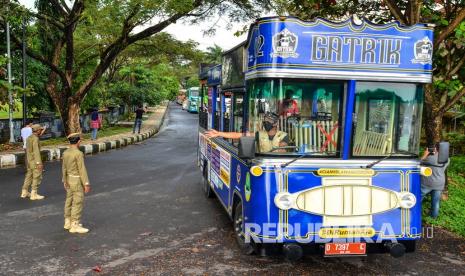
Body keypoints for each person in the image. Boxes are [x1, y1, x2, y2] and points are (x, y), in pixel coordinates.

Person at [205, 112, 289, 153]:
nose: (266, 123)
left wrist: (282, 149)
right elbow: (239, 135)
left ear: (275, 123)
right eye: (265, 121)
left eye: (269, 121)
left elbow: (283, 148)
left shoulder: (283, 135)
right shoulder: (259, 134)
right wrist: (219, 133)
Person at [62, 133, 91, 233]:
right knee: (77, 202)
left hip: (69, 179)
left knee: (69, 200)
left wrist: (64, 180)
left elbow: (64, 168)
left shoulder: (65, 152)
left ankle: (67, 222)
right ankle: (75, 224)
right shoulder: (78, 153)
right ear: (78, 141)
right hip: (77, 180)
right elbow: (82, 169)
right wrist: (86, 183)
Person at [420, 143, 450, 219]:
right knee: (436, 202)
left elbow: (418, 163)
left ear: (435, 149)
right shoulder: (447, 159)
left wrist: (425, 154)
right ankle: (434, 217)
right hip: (439, 183)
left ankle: (413, 213)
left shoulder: (431, 158)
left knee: (417, 198)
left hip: (428, 183)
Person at [21, 124, 46, 200]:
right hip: (35, 161)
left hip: (29, 160)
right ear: (38, 130)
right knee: (37, 177)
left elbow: (28, 151)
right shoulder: (35, 139)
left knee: (28, 176)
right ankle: (33, 194)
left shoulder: (29, 138)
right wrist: (39, 163)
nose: (41, 131)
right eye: (40, 130)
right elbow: (36, 151)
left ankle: (24, 192)